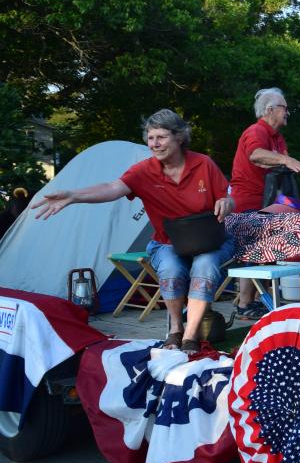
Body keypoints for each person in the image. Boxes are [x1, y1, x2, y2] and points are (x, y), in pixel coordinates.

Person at [32, 110, 234, 353]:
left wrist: (226, 202)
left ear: (180, 137)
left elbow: (228, 196)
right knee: (170, 269)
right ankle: (175, 330)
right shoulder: (144, 171)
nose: (154, 144)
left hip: (208, 241)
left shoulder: (203, 164)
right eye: (150, 138)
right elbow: (112, 187)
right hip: (167, 242)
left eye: (161, 137)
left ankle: (190, 337)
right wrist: (74, 196)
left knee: (204, 267)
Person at [230, 87, 300, 320]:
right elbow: (256, 155)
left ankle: (253, 301)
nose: (288, 112)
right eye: (284, 107)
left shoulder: (277, 137)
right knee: (253, 250)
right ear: (270, 110)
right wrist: (286, 159)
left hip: (268, 199)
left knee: (264, 251)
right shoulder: (256, 131)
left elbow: (276, 167)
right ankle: (245, 304)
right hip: (248, 199)